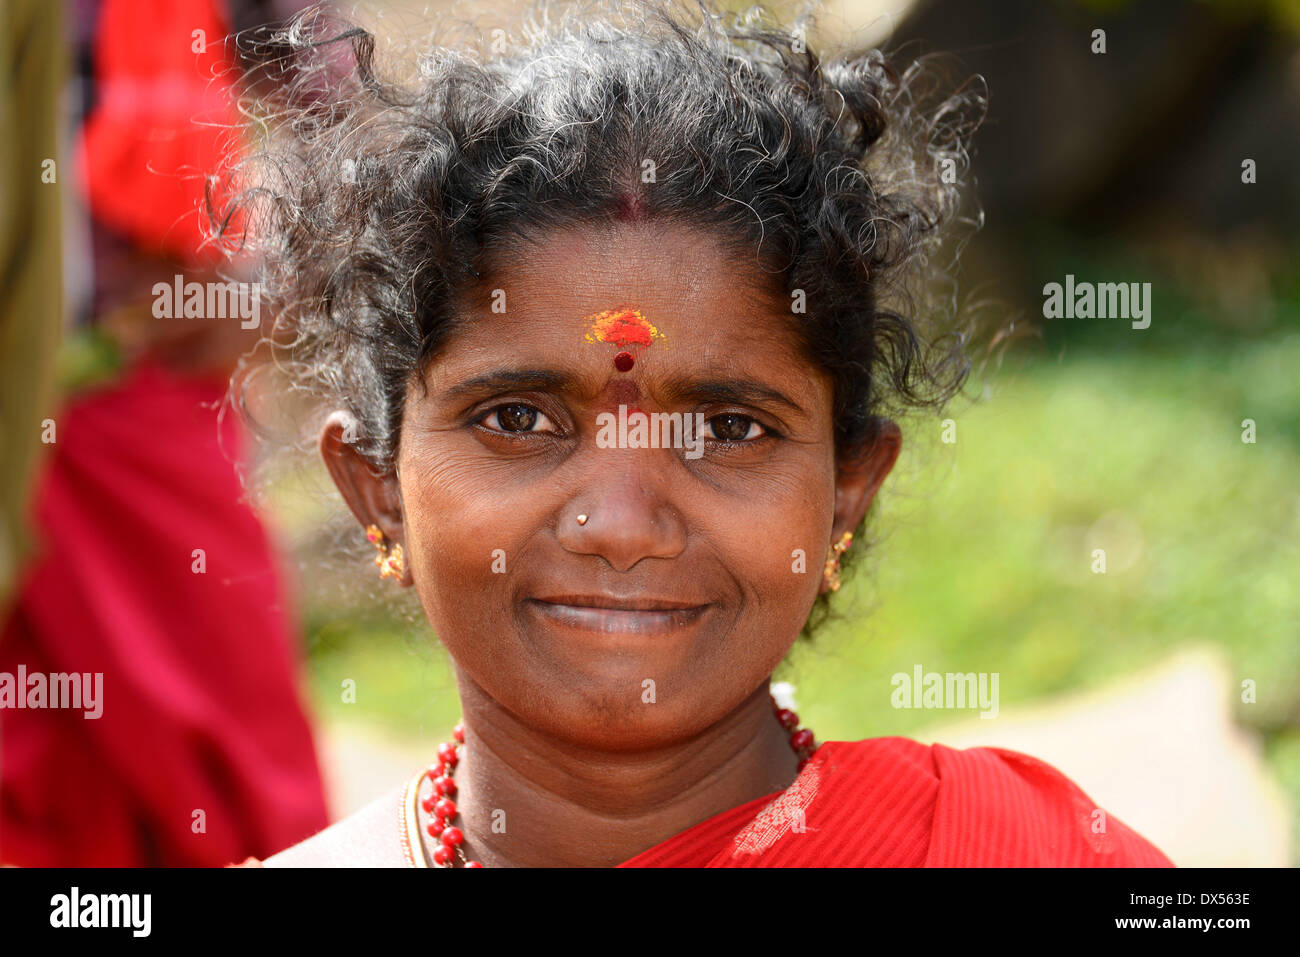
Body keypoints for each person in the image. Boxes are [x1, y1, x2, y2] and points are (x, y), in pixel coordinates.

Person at [224, 0, 1173, 867]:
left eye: (727, 427)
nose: (623, 525)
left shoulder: (1016, 852)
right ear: (376, 486)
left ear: (847, 489)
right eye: (518, 418)